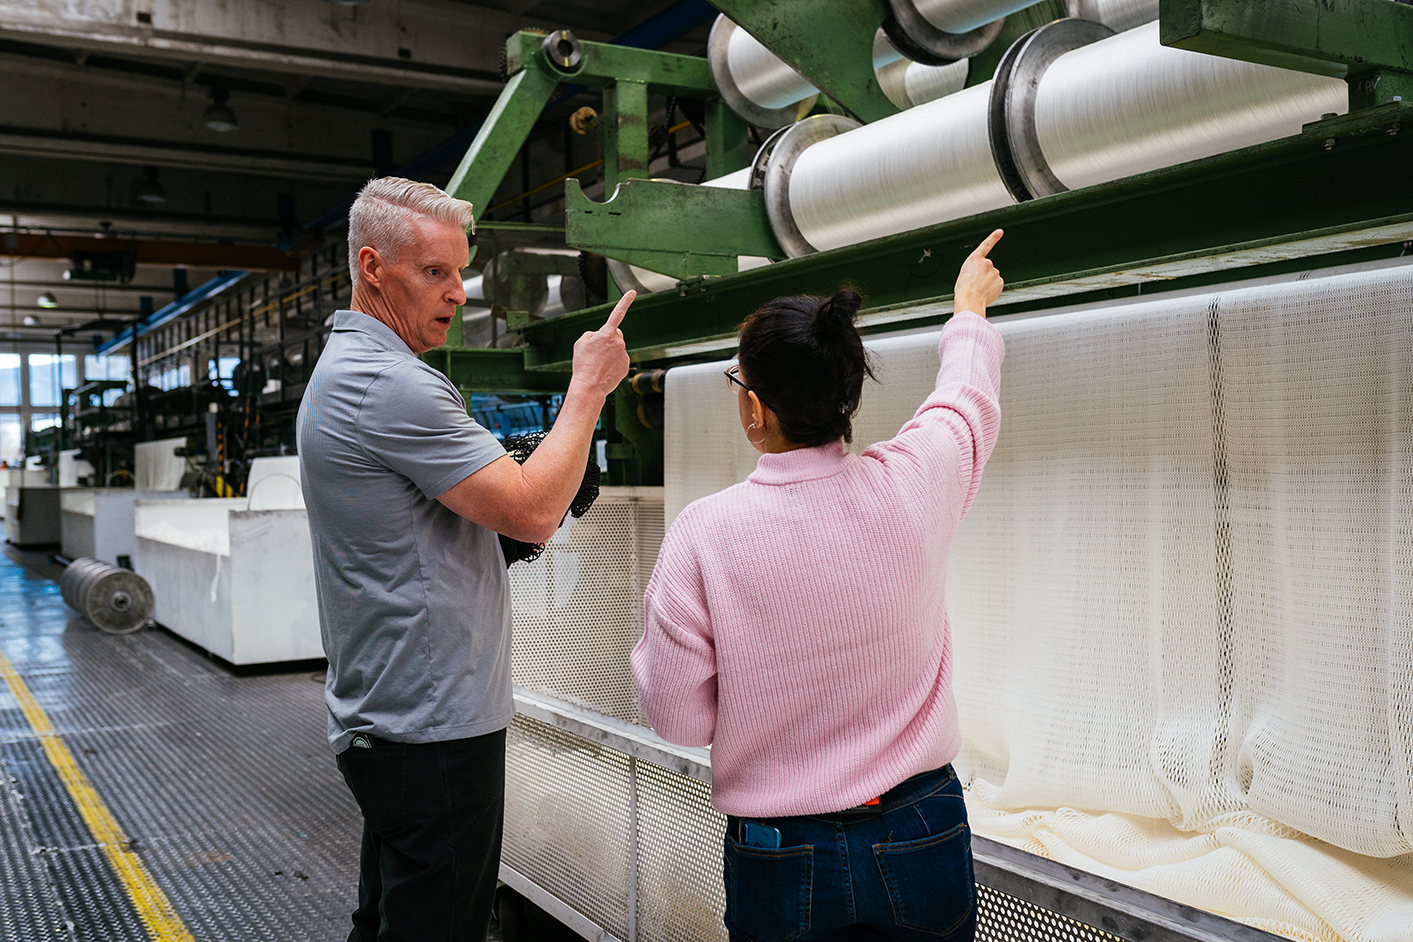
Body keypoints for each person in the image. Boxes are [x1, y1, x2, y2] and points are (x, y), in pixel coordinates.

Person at [632, 230, 1007, 941]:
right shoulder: (916, 480)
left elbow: (677, 719)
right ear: (845, 397)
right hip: (922, 825)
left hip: (782, 848)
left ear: (754, 408)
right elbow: (965, 400)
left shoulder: (704, 534)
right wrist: (966, 308)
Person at [297, 176, 634, 942]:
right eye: (434, 272)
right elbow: (533, 508)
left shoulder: (348, 371)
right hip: (433, 728)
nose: (457, 291)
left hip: (391, 714)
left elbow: (421, 535)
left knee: (392, 917)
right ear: (372, 267)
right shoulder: (393, 385)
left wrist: (504, 519)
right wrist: (587, 390)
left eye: (460, 271)